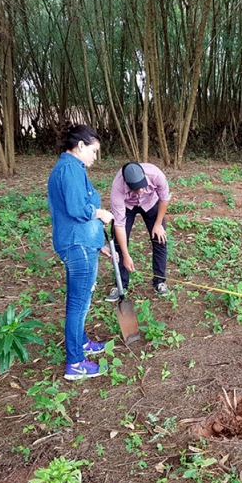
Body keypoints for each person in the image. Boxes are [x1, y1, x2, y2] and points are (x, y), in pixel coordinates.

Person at [47, 125, 113, 380]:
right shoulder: (70, 169)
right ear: (81, 145)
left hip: (83, 244)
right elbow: (77, 209)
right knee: (79, 303)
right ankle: (75, 363)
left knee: (79, 300)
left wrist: (100, 246)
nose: (95, 157)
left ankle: (81, 342)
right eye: (94, 151)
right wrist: (100, 213)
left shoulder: (72, 168)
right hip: (77, 245)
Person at [106, 162, 171, 301]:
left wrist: (158, 224)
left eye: (142, 186)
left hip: (151, 202)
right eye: (136, 188)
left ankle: (160, 282)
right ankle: (120, 284)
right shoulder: (118, 188)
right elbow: (119, 224)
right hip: (127, 205)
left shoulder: (155, 174)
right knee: (118, 244)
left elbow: (164, 199)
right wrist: (126, 254)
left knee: (160, 239)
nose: (141, 190)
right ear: (127, 183)